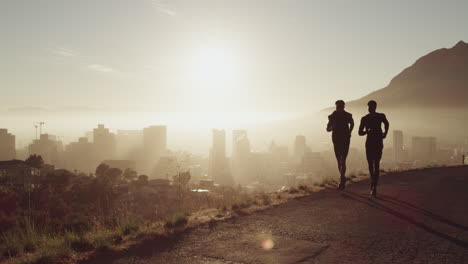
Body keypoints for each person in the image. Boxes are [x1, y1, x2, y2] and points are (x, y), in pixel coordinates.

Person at [358, 100, 389, 197]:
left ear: (375, 107)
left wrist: (385, 133)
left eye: (372, 106)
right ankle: (373, 185)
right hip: (371, 143)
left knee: (375, 165)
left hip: (377, 143)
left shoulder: (380, 116)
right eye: (369, 106)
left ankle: (374, 186)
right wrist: (367, 132)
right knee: (372, 165)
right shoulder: (365, 118)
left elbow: (387, 124)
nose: (370, 108)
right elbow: (360, 132)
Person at [327, 100, 354, 190]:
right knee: (339, 160)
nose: (339, 108)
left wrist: (349, 132)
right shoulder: (332, 116)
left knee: (343, 159)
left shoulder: (348, 115)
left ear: (343, 107)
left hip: (345, 139)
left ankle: (342, 180)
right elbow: (328, 128)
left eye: (340, 106)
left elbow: (352, 123)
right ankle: (342, 177)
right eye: (338, 106)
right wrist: (332, 127)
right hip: (336, 140)